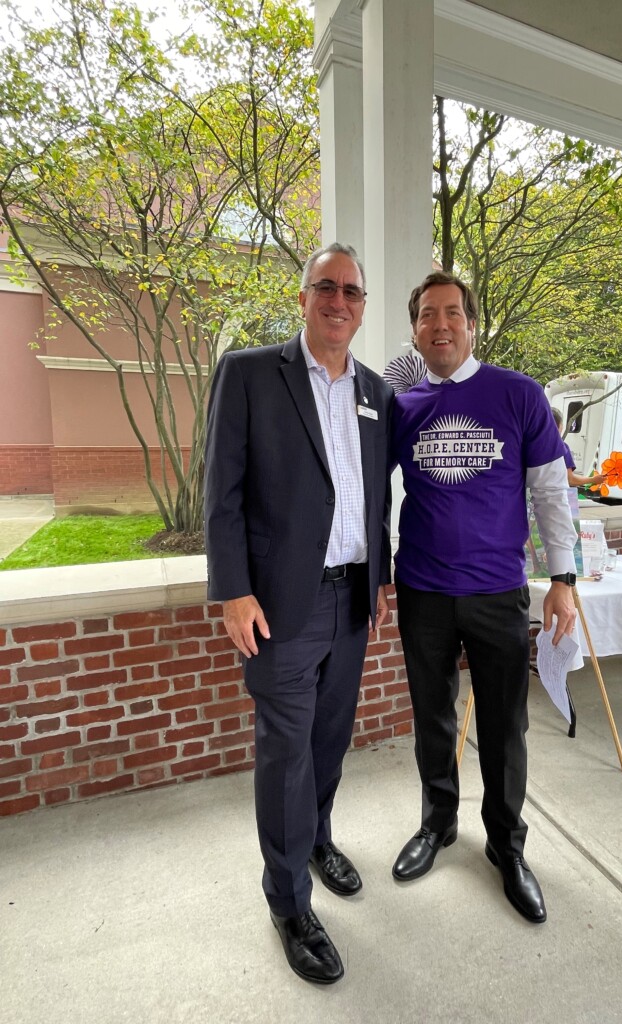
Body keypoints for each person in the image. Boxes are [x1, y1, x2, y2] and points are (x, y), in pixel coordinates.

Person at [204, 242, 393, 986]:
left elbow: (374, 493)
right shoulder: (252, 374)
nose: (339, 300)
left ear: (362, 305)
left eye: (352, 290)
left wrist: (377, 573)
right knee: (286, 752)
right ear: (305, 295)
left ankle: (315, 838)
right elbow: (220, 491)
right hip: (281, 602)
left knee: (329, 738)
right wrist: (232, 589)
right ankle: (288, 903)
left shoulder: (375, 390)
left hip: (353, 596)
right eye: (326, 286)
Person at [390, 270, 578, 925]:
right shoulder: (403, 405)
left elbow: (553, 492)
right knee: (434, 720)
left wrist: (563, 579)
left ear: (472, 323)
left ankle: (507, 846)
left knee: (504, 729)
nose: (439, 324)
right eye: (426, 316)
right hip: (422, 591)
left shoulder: (519, 395)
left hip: (499, 594)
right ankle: (437, 824)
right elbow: (348, 472)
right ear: (414, 331)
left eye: (452, 313)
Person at [551, 407, 606, 489]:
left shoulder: (532, 447)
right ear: (559, 426)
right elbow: (570, 480)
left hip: (534, 499)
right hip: (556, 499)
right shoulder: (561, 448)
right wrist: (593, 480)